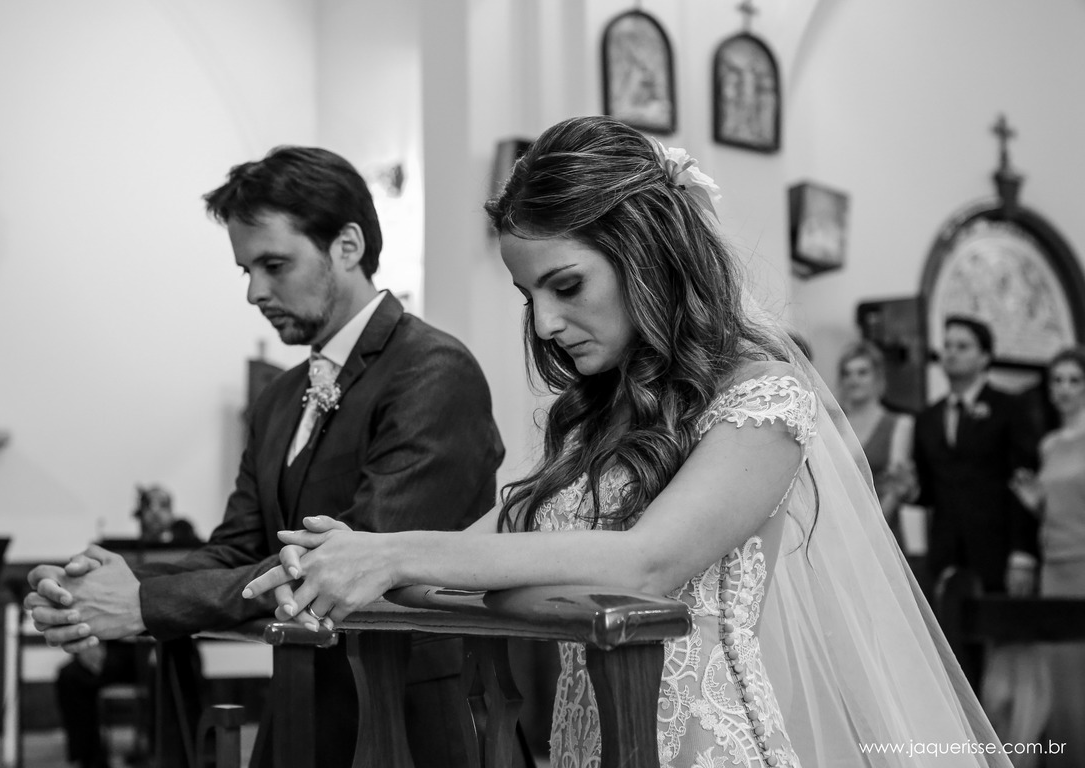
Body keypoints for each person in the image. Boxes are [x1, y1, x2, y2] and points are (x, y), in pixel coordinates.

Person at [245, 116, 1012, 767]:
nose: (546, 323)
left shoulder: (764, 398)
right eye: (529, 296)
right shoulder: (596, 418)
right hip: (589, 742)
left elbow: (646, 563)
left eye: (566, 285)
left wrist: (399, 554)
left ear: (645, 255)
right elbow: (461, 565)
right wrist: (351, 561)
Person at [25, 145, 504, 768]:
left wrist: (142, 606)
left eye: (274, 265)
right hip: (300, 703)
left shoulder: (433, 371)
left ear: (347, 246)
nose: (255, 291)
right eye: (246, 270)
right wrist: (115, 587)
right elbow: (238, 548)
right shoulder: (279, 398)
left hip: (410, 718)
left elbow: (347, 564)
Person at [54, 486, 203, 768]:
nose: (156, 513)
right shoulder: (122, 555)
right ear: (139, 513)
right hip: (123, 648)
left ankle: (167, 757)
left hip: (171, 644)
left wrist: (164, 638)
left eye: (163, 506)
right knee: (71, 676)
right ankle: (91, 759)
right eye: (150, 506)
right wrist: (93, 641)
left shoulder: (186, 547)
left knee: (171, 671)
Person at [912, 317, 1041, 602]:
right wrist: (910, 490)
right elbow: (929, 491)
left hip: (998, 549)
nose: (951, 353)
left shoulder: (1009, 408)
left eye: (962, 346)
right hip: (945, 553)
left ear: (984, 357)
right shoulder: (927, 418)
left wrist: (1023, 553)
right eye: (947, 345)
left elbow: (1023, 481)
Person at [1010, 345, 1085, 767]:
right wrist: (1036, 504)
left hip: (1084, 565)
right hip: (1053, 566)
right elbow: (1059, 510)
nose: (1065, 389)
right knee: (1058, 682)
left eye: (1074, 380)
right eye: (1057, 380)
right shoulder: (1049, 445)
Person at [837, 341, 916, 539]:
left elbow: (896, 488)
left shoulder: (899, 424)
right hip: (838, 528)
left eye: (862, 372)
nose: (854, 380)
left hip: (881, 530)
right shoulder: (832, 423)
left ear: (878, 376)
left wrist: (870, 531)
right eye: (847, 373)